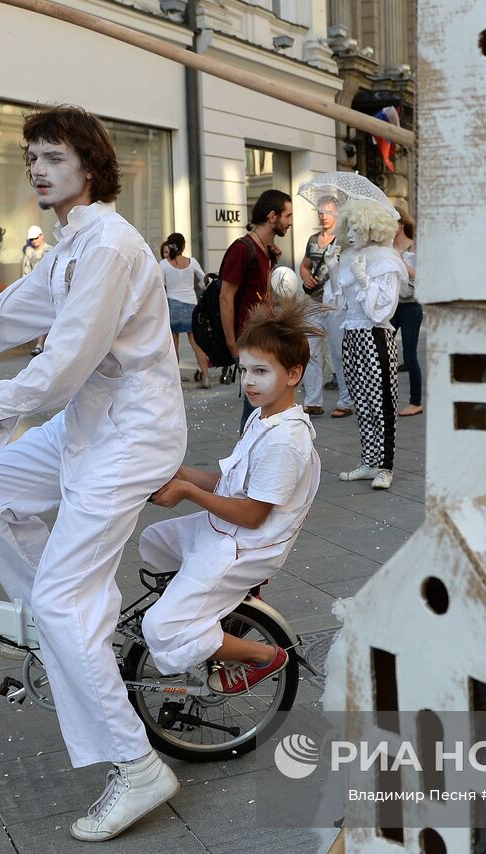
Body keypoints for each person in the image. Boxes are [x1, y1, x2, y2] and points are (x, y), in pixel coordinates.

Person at [0, 105, 186, 843]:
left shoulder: (108, 245)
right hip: (88, 428)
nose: (38, 168)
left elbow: (61, 365)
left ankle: (139, 767)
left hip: (132, 438)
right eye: (31, 156)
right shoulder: (72, 244)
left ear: (91, 165)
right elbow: (6, 316)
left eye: (53, 155)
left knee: (61, 597)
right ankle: (67, 628)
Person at [141, 296, 321, 691]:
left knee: (157, 627)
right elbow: (228, 481)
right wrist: (177, 472)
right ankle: (205, 613)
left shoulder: (285, 442)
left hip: (247, 546)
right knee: (152, 541)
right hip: (224, 531)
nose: (249, 381)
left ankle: (264, 656)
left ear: (293, 374)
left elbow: (254, 515)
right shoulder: (262, 416)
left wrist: (187, 490)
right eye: (244, 370)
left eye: (261, 371)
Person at [331, 199, 407, 491]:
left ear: (370, 228)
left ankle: (385, 467)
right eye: (347, 226)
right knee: (361, 402)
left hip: (375, 337)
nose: (348, 233)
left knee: (382, 402)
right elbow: (339, 304)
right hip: (352, 337)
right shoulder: (350, 257)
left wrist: (364, 281)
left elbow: (382, 312)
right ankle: (369, 461)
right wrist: (334, 268)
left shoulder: (386, 261)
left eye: (354, 228)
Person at [219, 189, 291, 423]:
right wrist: (232, 345)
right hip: (247, 340)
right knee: (255, 405)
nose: (290, 223)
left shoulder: (266, 251)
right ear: (272, 216)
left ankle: (256, 451)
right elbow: (225, 297)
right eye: (287, 216)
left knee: (263, 403)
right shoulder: (242, 249)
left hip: (263, 337)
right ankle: (248, 454)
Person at [297, 196, 340, 416]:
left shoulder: (343, 240)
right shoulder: (313, 239)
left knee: (338, 352)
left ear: (337, 213)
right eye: (320, 212)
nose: (323, 216)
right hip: (313, 302)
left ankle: (346, 401)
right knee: (310, 351)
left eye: (328, 211)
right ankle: (313, 401)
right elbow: (305, 264)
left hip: (335, 304)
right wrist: (305, 275)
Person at [158, 233, 209, 387]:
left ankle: (176, 380)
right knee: (196, 343)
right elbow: (206, 280)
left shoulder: (163, 264)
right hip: (191, 306)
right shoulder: (192, 262)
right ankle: (206, 377)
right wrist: (196, 287)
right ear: (183, 246)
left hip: (173, 305)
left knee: (174, 344)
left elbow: (159, 285)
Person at [391, 209, 422, 417]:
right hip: (391, 306)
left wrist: (401, 263)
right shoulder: (387, 248)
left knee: (409, 354)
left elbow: (421, 277)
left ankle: (415, 401)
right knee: (383, 351)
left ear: (400, 224)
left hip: (411, 306)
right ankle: (385, 397)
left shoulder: (414, 245)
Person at [22, 225, 51, 356]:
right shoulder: (29, 253)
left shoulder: (51, 251)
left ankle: (41, 345)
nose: (34, 241)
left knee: (48, 315)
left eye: (35, 238)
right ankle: (41, 344)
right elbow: (25, 271)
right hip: (35, 289)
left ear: (41, 236)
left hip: (49, 289)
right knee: (41, 316)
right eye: (31, 239)